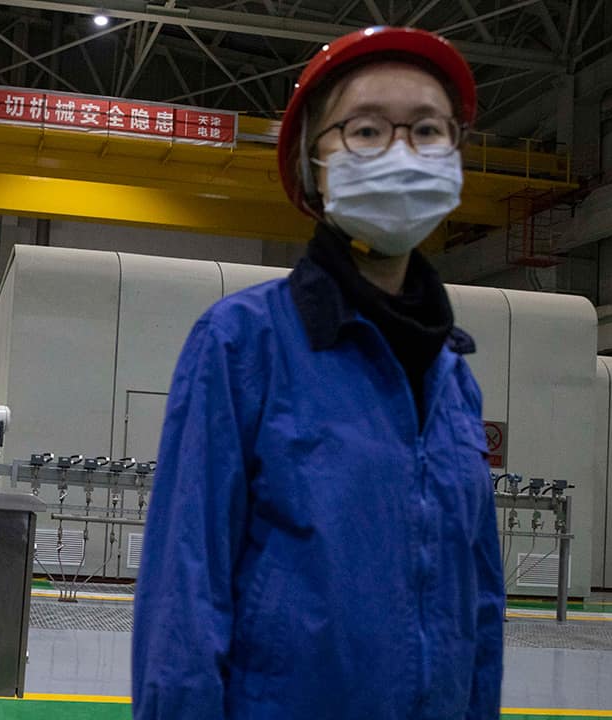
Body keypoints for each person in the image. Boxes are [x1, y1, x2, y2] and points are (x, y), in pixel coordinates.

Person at [131, 27, 505, 720]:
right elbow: (184, 595)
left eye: (428, 130)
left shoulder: (453, 375)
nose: (402, 152)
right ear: (313, 163)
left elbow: (477, 603)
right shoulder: (243, 343)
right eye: (365, 130)